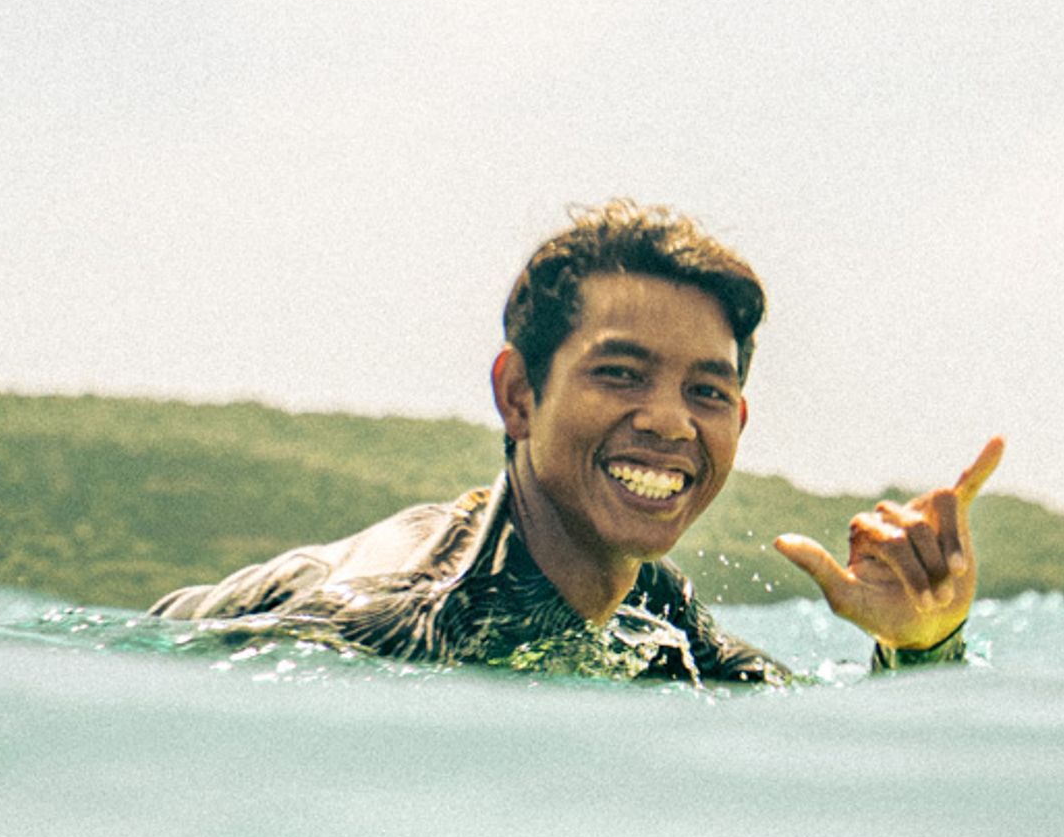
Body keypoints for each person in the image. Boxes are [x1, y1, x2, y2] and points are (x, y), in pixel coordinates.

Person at [150, 202, 1004, 683]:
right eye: (621, 374)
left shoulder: (650, 613)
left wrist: (921, 643)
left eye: (706, 390)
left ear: (737, 426)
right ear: (519, 396)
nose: (671, 421)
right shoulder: (393, 625)